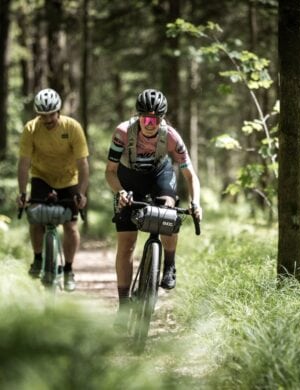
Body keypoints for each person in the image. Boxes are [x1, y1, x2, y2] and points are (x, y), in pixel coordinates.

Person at [105, 88, 202, 327]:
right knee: (126, 243)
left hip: (159, 174)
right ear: (138, 116)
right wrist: (120, 193)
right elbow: (110, 172)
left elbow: (190, 176)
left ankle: (169, 265)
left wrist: (196, 202)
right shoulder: (122, 133)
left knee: (168, 212)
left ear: (162, 118)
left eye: (155, 119)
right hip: (128, 178)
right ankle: (124, 305)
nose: (150, 124)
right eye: (145, 118)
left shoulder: (171, 137)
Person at [17, 88, 89, 292]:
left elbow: (83, 163)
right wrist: (23, 193)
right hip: (41, 177)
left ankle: (68, 269)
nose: (47, 119)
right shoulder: (31, 129)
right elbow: (23, 164)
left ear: (58, 111)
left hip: (68, 179)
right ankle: (38, 258)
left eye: (51, 114)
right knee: (35, 216)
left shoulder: (72, 127)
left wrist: (81, 193)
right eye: (43, 115)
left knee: (71, 226)